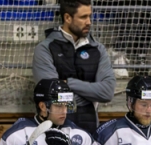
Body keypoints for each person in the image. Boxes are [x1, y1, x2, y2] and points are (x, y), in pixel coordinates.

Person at [33, 0, 116, 135]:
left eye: (90, 16)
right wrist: (90, 95)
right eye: (83, 17)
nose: (89, 22)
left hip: (89, 130)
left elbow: (107, 92)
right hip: (53, 131)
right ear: (67, 18)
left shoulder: (98, 49)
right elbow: (52, 94)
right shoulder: (45, 48)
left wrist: (68, 83)